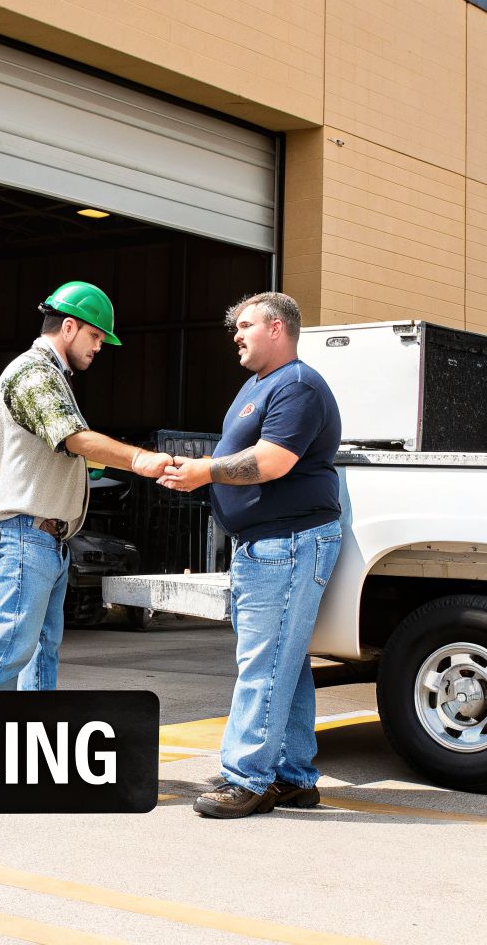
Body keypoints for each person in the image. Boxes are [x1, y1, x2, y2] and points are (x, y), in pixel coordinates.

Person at [159, 291, 342, 818]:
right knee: (286, 662)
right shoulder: (259, 385)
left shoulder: (299, 385)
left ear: (278, 327)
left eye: (245, 326)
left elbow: (273, 460)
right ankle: (292, 775)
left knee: (263, 664)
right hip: (266, 546)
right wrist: (201, 473)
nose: (236, 336)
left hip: (287, 544)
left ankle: (248, 779)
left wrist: (205, 472)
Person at [0, 281, 174, 691]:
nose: (98, 346)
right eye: (95, 336)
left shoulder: (53, 376)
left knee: (40, 655)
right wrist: (138, 458)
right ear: (68, 327)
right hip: (21, 535)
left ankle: (29, 749)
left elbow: (61, 450)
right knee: (5, 653)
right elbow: (72, 437)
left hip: (42, 540)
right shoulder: (34, 372)